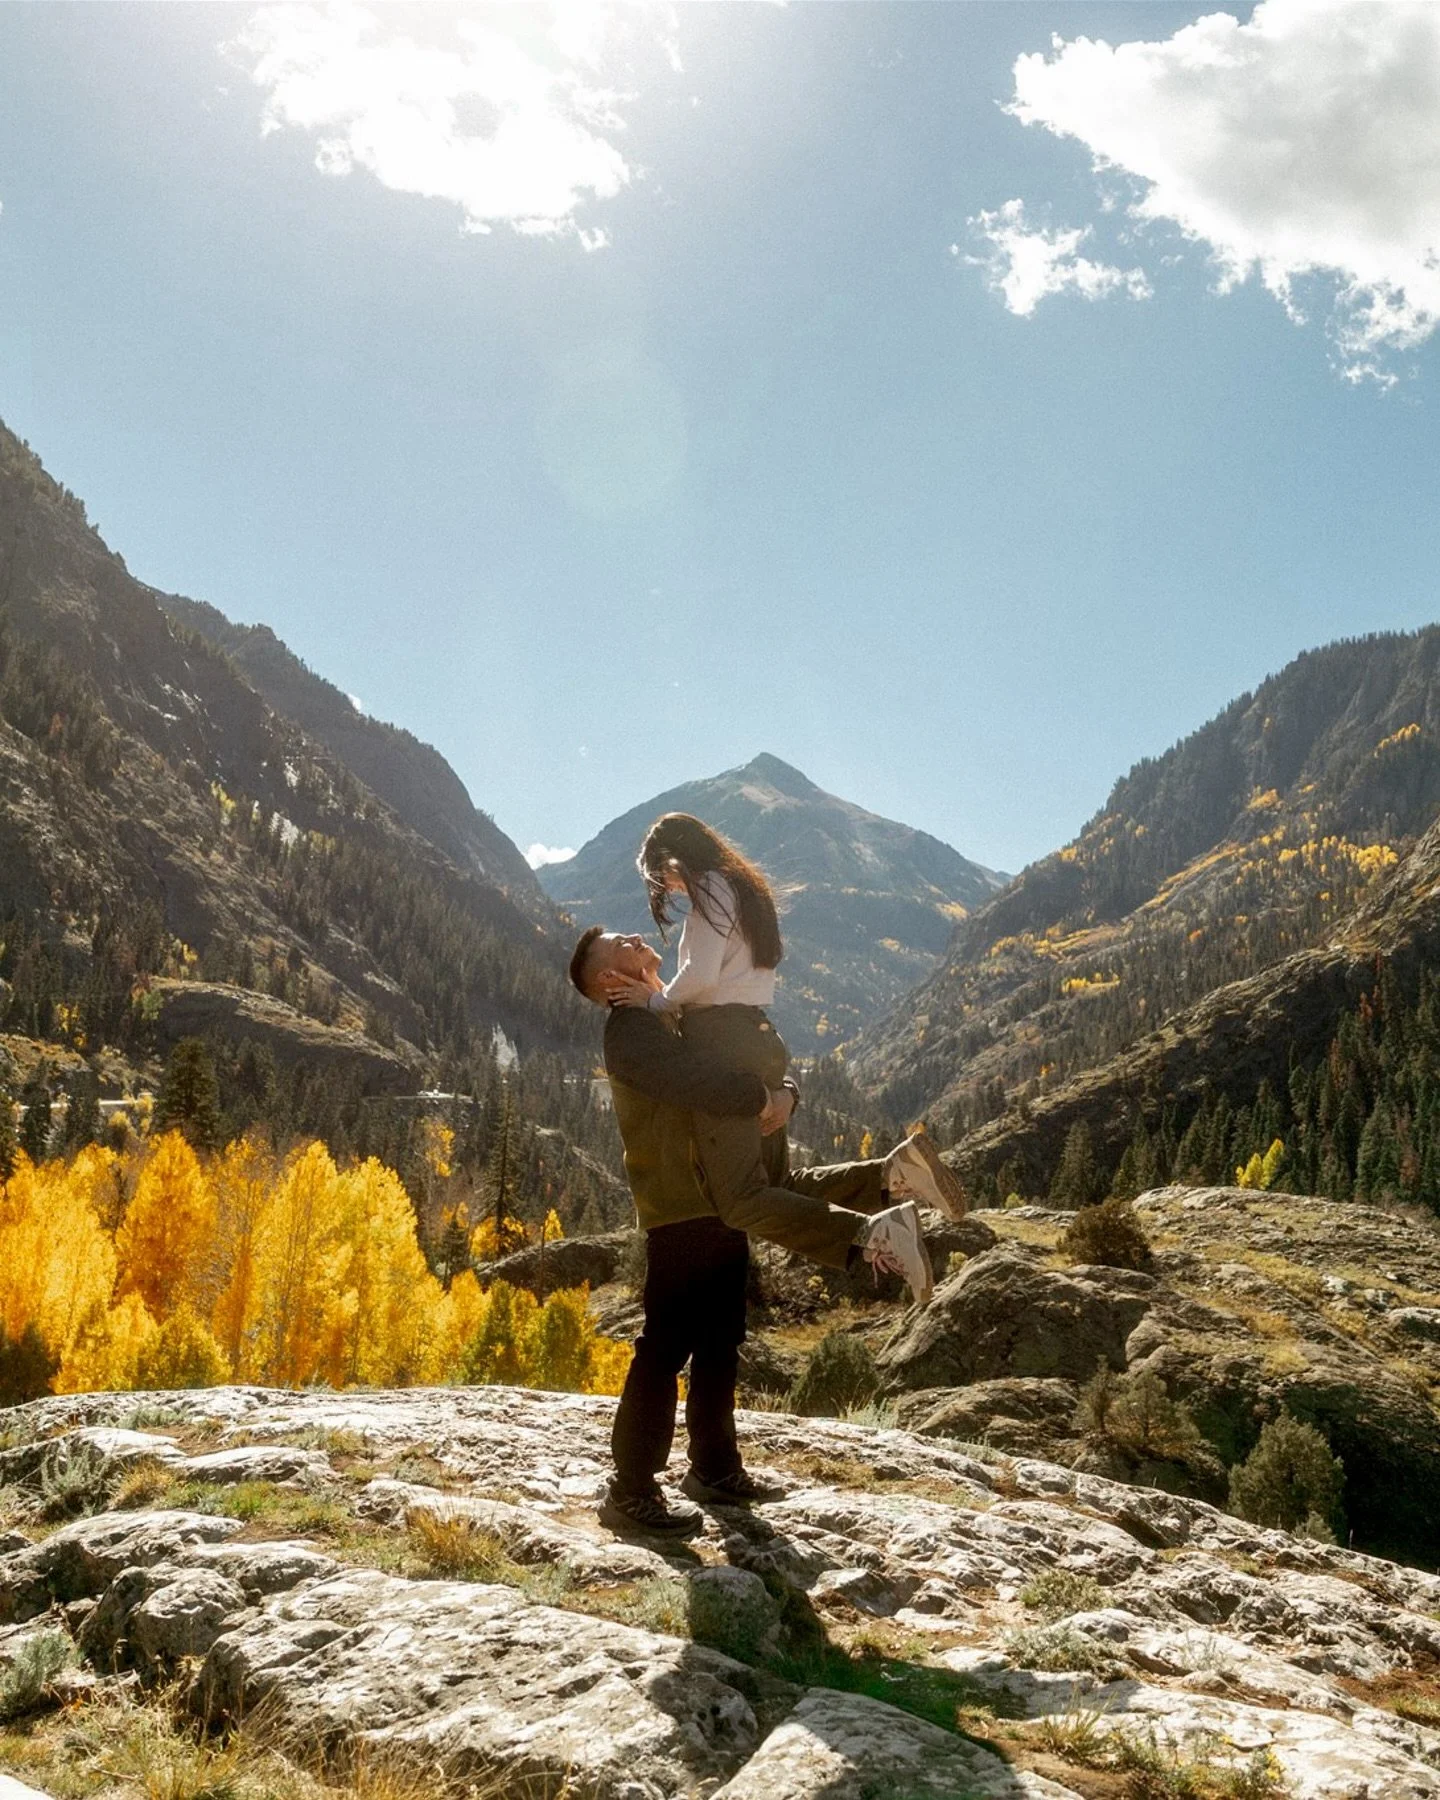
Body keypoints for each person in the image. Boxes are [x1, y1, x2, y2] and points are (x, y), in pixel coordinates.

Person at [570, 924, 963, 1536]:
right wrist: (763, 1094)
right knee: (665, 1348)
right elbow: (699, 1084)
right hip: (680, 1209)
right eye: (618, 943)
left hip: (716, 1198)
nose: (634, 937)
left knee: (721, 1342)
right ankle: (629, 1492)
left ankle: (715, 1471)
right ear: (606, 980)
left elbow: (734, 1059)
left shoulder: (669, 1013)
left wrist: (787, 1091)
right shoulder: (631, 1033)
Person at [600, 812, 964, 1294]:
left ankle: (874, 1233)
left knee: (742, 1203)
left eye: (663, 876)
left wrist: (656, 1000)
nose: (668, 887)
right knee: (778, 1183)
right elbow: (731, 975)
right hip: (758, 1034)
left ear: (673, 858)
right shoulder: (743, 888)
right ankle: (892, 1174)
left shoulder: (709, 889)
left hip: (723, 1040)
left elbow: (703, 977)